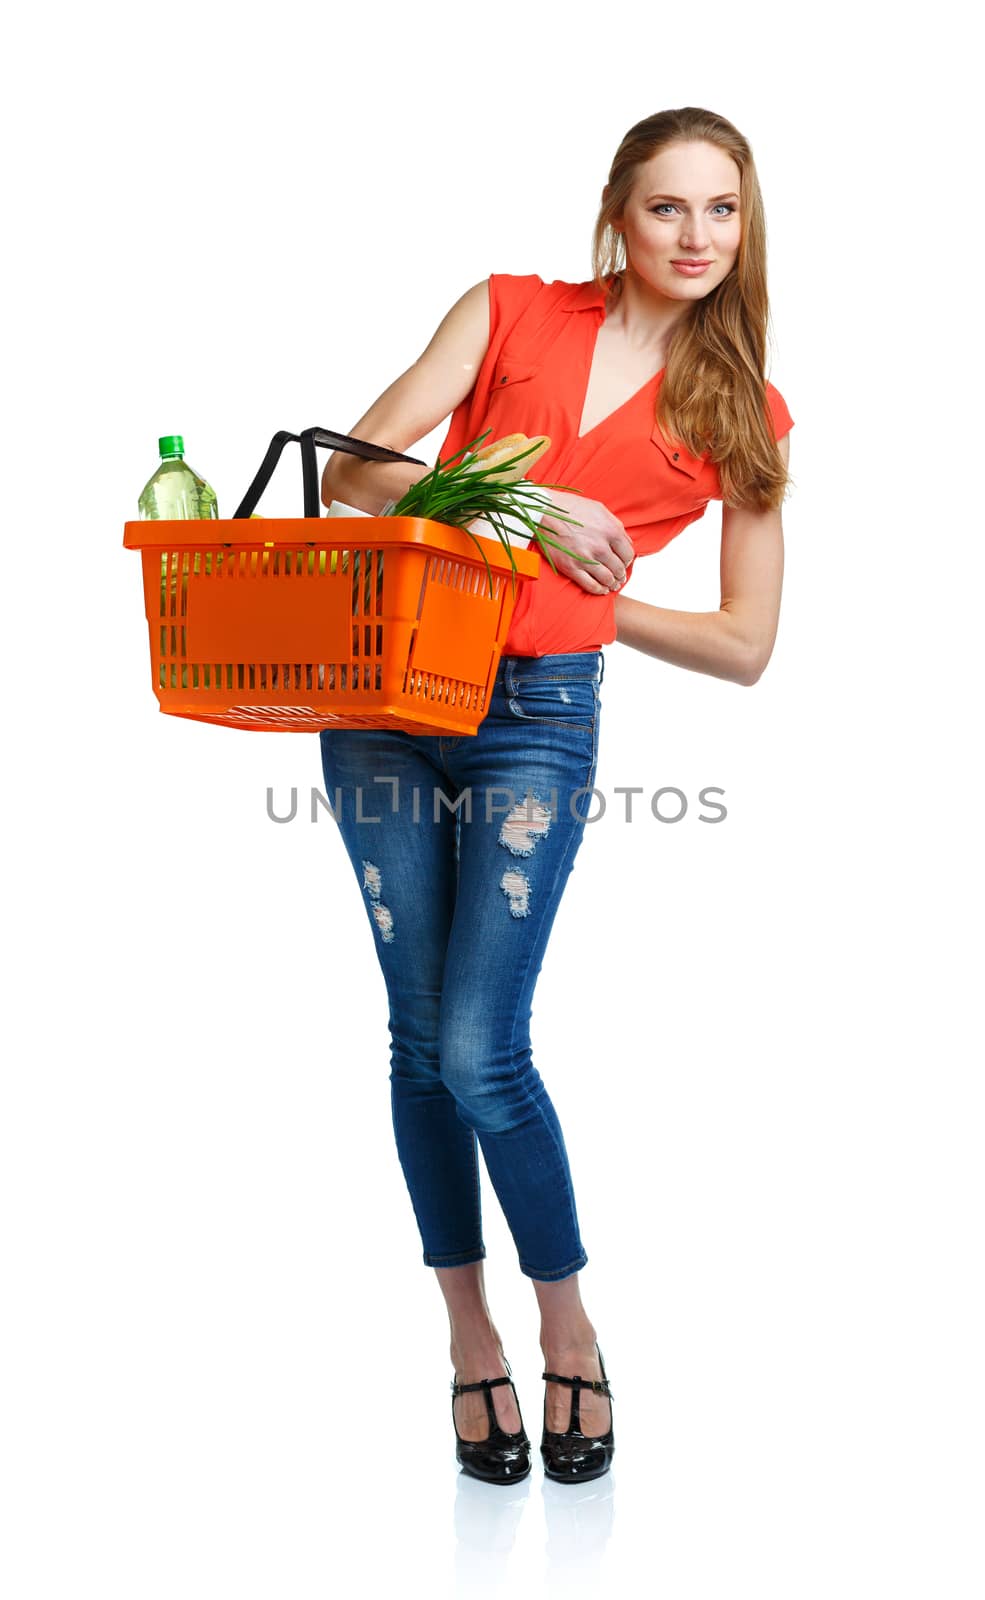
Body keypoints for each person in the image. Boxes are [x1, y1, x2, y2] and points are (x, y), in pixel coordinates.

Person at [317, 106, 794, 1485]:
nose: (695, 238)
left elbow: (747, 647)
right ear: (617, 214)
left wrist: (604, 593)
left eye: (722, 211)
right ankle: (470, 1342)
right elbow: (353, 470)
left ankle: (567, 1325)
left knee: (480, 1050)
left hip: (533, 719)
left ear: (744, 228)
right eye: (667, 209)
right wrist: (517, 513)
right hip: (384, 701)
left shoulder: (741, 414)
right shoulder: (508, 310)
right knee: (415, 1044)